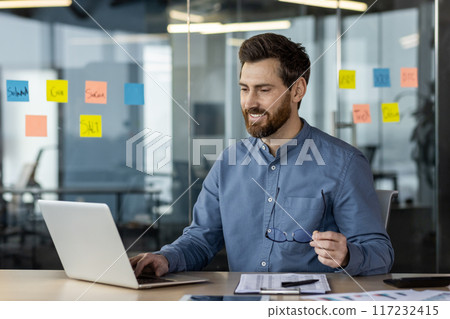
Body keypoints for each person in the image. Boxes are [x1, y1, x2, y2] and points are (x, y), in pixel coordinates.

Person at [130, 33, 394, 277]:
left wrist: (347, 256)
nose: (250, 102)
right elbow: (200, 240)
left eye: (264, 90)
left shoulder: (343, 163)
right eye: (245, 89)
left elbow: (380, 254)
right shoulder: (227, 163)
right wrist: (165, 258)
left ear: (297, 90)